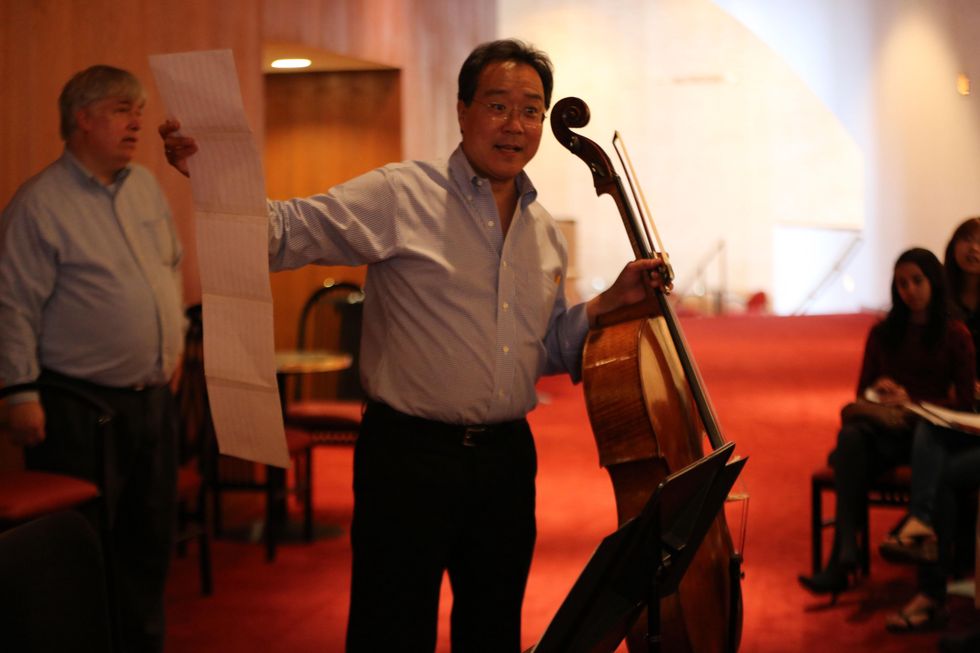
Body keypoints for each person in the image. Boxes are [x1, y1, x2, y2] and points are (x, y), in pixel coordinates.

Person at [160, 39, 666, 652]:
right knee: (390, 632)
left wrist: (609, 302)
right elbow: (280, 233)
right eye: (498, 105)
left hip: (506, 463)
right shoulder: (401, 196)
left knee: (493, 630)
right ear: (461, 110)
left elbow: (546, 351)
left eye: (532, 109)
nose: (516, 125)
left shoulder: (543, 233)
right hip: (408, 459)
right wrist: (210, 170)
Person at [0, 65, 184, 652]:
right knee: (84, 552)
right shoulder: (39, 204)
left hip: (153, 401)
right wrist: (18, 393)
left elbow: (171, 268)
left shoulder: (145, 187)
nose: (137, 122)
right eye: (121, 109)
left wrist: (171, 342)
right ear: (82, 118)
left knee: (149, 541)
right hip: (77, 405)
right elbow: (12, 304)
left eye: (139, 109)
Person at [798, 247, 975, 600]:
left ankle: (852, 554)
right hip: (889, 432)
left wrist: (913, 401)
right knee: (850, 436)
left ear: (934, 282)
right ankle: (845, 551)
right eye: (902, 284)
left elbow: (966, 403)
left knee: (910, 434)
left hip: (930, 438)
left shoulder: (955, 334)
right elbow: (861, 393)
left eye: (916, 281)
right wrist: (879, 389)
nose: (909, 290)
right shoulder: (884, 332)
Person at [876, 218, 980, 632]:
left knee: (936, 476)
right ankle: (937, 581)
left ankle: (931, 592)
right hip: (961, 420)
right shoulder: (942, 304)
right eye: (967, 240)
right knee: (931, 440)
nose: (974, 248)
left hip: (968, 421)